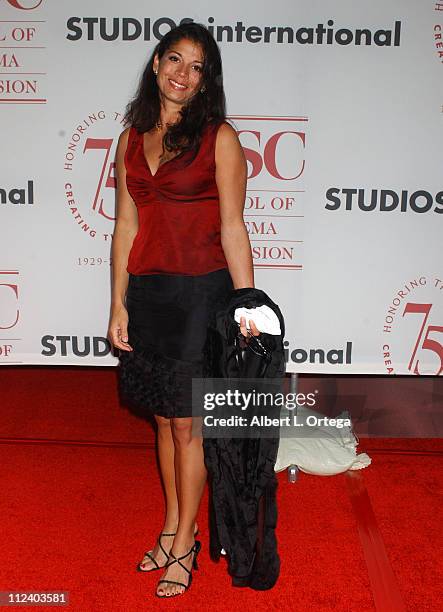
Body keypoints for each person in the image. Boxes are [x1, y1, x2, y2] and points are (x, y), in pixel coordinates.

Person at [108, 22, 259, 598]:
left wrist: (247, 310)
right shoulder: (131, 137)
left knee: (190, 425)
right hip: (149, 296)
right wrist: (117, 303)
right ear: (155, 63)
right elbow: (125, 226)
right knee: (164, 419)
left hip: (202, 296)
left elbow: (232, 227)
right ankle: (172, 523)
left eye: (197, 67)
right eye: (175, 59)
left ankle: (188, 541)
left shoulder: (220, 138)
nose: (183, 74)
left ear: (206, 81)